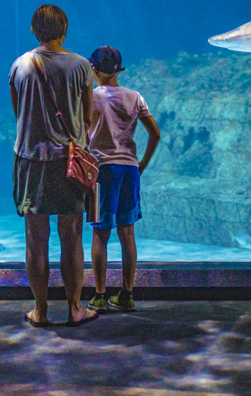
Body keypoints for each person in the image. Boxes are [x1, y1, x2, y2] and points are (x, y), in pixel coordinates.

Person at [9, 4, 99, 327]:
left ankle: (41, 310)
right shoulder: (81, 66)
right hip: (69, 161)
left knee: (36, 239)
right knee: (71, 235)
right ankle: (74, 308)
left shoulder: (19, 65)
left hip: (31, 160)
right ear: (65, 30)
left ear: (34, 30)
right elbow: (87, 117)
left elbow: (19, 113)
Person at [87, 46, 161, 313]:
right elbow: (155, 134)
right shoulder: (135, 97)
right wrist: (141, 166)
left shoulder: (91, 97)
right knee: (127, 233)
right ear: (119, 70)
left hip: (102, 170)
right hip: (130, 170)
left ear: (94, 69)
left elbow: (81, 131)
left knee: (100, 234)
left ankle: (99, 295)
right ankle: (127, 295)